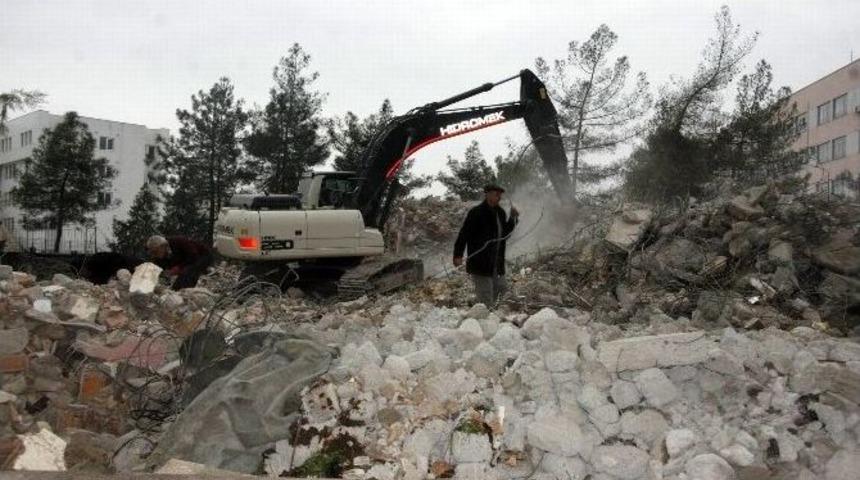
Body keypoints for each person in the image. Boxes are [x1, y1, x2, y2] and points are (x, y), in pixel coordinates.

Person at [453, 184, 519, 307]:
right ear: (487, 194)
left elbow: (504, 235)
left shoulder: (500, 213)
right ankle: (485, 319)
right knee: (486, 296)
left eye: (500, 195)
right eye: (496, 194)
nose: (499, 197)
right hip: (480, 262)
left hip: (496, 262)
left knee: (501, 290)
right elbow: (464, 235)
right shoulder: (476, 212)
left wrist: (513, 218)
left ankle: (496, 319)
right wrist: (458, 255)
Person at [145, 235, 213, 290]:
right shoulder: (159, 257)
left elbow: (193, 256)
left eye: (155, 252)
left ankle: (182, 290)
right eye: (152, 253)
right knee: (181, 276)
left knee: (188, 272)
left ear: (163, 246)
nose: (154, 255)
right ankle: (176, 289)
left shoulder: (179, 241)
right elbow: (157, 268)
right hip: (185, 261)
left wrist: (178, 268)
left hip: (202, 256)